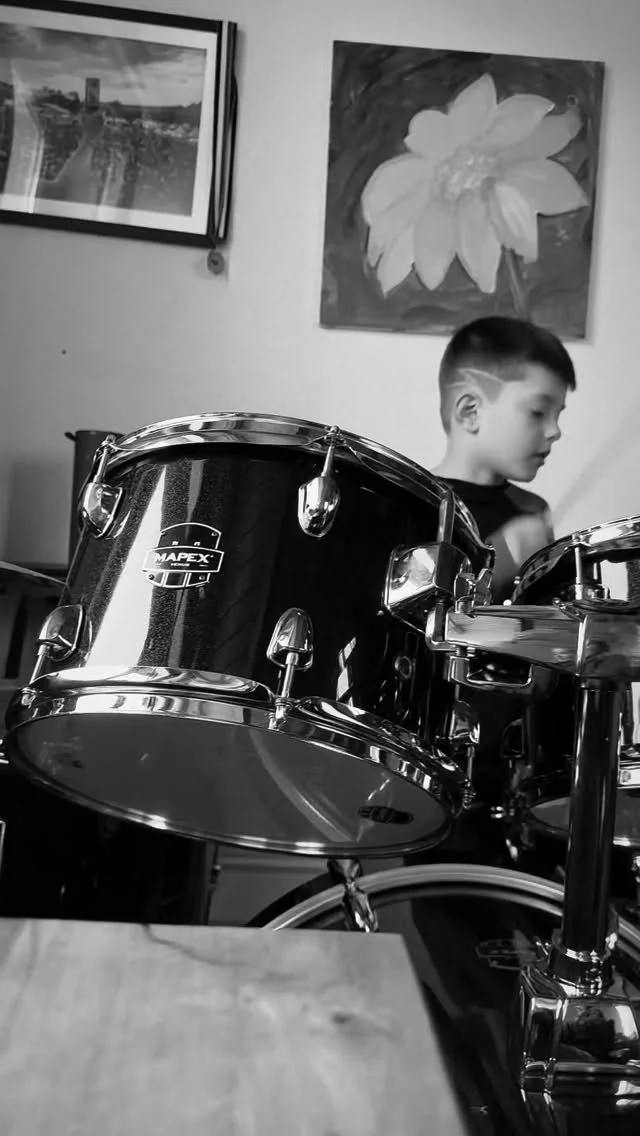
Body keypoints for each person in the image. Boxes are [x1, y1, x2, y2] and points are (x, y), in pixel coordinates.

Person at [431, 315, 576, 600]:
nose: (555, 431)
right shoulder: (417, 506)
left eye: (557, 415)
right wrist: (503, 558)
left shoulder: (532, 509)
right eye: (537, 412)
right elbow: (422, 613)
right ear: (471, 412)